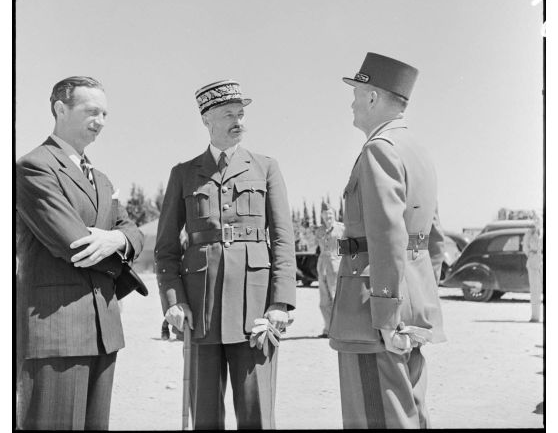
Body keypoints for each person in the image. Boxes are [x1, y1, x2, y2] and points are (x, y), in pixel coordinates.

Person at [154, 79, 296, 429]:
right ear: (207, 120)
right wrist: (173, 300)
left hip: (255, 311)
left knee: (257, 415)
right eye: (229, 114)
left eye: (241, 114)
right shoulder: (183, 174)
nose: (238, 121)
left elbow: (282, 239)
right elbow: (166, 249)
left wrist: (280, 302)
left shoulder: (266, 167)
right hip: (200, 310)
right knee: (205, 417)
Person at [16, 76, 146, 430]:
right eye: (91, 111)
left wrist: (116, 239)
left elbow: (132, 231)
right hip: (56, 332)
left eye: (105, 114)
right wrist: (120, 241)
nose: (100, 121)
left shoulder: (101, 179)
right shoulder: (33, 167)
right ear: (60, 109)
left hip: (104, 331)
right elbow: (74, 243)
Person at [328, 52, 446, 429]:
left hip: (373, 312)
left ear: (373, 97)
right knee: (410, 414)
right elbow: (434, 240)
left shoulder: (379, 148)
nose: (352, 103)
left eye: (356, 94)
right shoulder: (417, 150)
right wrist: (417, 297)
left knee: (376, 417)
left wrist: (385, 316)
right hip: (411, 300)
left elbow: (386, 234)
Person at [315, 204, 344, 338]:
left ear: (334, 214)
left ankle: (340, 329)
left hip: (336, 266)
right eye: (325, 214)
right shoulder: (319, 230)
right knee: (324, 301)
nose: (328, 217)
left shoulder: (342, 229)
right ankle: (328, 329)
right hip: (322, 267)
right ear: (322, 216)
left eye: (330, 214)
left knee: (337, 298)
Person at [525, 216, 543, 322]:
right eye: (535, 220)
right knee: (535, 291)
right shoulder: (529, 233)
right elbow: (525, 248)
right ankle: (535, 316)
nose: (537, 222)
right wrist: (532, 256)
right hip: (533, 262)